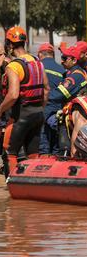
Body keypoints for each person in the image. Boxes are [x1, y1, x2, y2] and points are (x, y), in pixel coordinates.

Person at [0, 26, 49, 176]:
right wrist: (40, 108)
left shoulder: (14, 66)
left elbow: (13, 95)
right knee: (33, 153)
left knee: (10, 152)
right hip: (38, 114)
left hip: (21, 116)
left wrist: (0, 109)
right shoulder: (37, 62)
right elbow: (46, 89)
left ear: (9, 45)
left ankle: (12, 190)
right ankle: (34, 184)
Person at [40, 45, 87, 155]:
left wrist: (40, 98)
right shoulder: (74, 73)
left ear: (74, 60)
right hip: (73, 115)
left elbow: (58, 94)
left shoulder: (75, 76)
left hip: (73, 117)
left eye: (65, 58)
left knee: (63, 146)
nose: (61, 61)